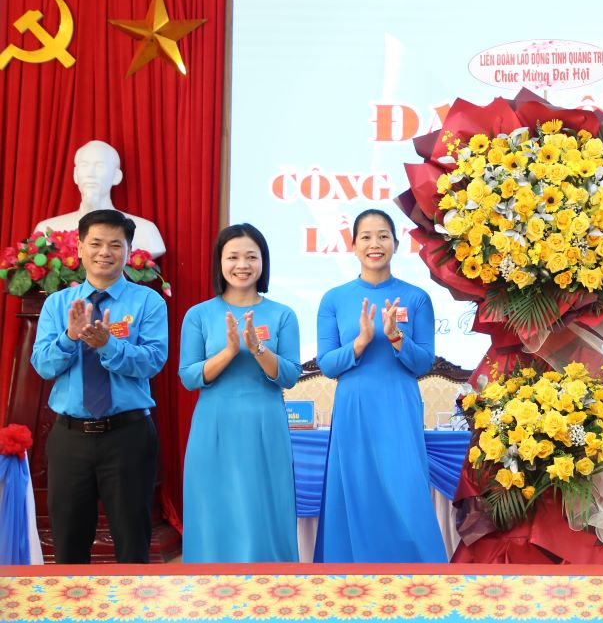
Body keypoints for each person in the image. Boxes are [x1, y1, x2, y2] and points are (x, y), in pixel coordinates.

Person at [30, 209, 168, 563]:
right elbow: (43, 366)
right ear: (79, 247)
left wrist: (109, 345)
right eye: (96, 243)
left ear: (128, 250)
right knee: (68, 545)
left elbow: (153, 361)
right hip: (69, 438)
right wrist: (69, 336)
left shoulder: (147, 302)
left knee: (132, 543)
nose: (105, 252)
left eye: (115, 245)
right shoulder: (57, 304)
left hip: (128, 436)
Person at [313, 208, 446, 562]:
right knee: (357, 490)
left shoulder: (416, 298)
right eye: (367, 237)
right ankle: (352, 577)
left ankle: (421, 578)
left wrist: (396, 338)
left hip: (399, 405)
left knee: (406, 489)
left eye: (383, 236)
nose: (375, 244)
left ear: (396, 243)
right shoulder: (334, 299)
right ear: (353, 245)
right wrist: (360, 342)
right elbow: (326, 364)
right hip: (353, 408)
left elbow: (423, 364)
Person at [178, 224, 302, 562]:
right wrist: (229, 351)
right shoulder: (199, 315)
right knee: (214, 510)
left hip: (266, 424)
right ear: (220, 261)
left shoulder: (283, 314)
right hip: (214, 425)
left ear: (263, 262)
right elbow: (189, 376)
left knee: (264, 509)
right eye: (233, 256)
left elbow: (290, 374)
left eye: (251, 256)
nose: (242, 264)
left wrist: (257, 349)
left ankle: (271, 593)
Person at [34, 140, 166, 258]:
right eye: (85, 166)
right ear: (75, 175)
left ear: (116, 176)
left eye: (99, 166)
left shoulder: (146, 231)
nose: (90, 174)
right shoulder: (46, 229)